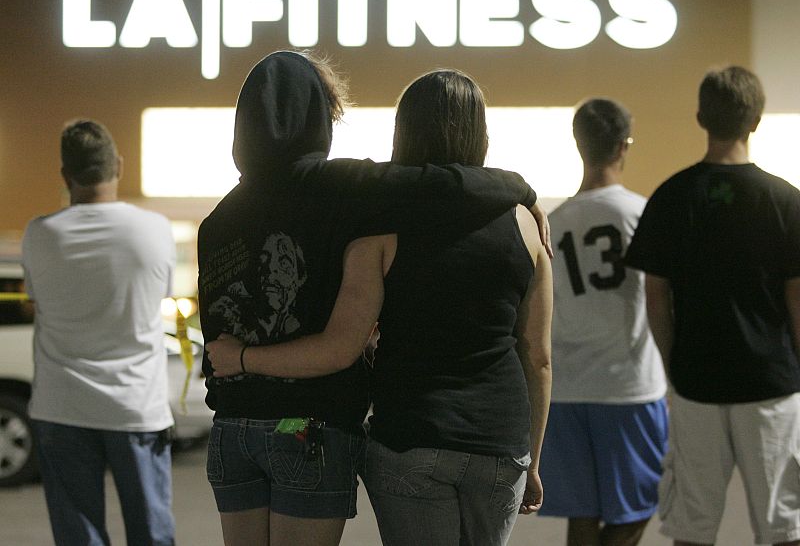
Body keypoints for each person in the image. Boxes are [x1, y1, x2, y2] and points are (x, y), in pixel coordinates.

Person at [197, 53, 550, 546]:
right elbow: (442, 179)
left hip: (233, 429)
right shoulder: (338, 186)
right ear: (319, 119)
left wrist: (240, 360)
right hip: (305, 426)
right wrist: (522, 190)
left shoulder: (217, 222)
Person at [626, 66, 800, 546]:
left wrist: (671, 362)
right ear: (757, 120)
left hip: (696, 379)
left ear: (701, 117)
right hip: (771, 383)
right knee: (782, 526)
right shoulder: (786, 201)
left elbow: (655, 294)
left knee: (693, 526)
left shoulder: (671, 196)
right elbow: (796, 298)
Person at [22, 120, 177, 546]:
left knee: (78, 535)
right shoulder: (155, 230)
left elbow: (38, 301)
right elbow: (159, 298)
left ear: (65, 175)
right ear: (119, 166)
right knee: (152, 533)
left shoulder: (40, 234)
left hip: (62, 405)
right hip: (136, 406)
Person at [537, 98, 668, 546]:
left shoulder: (552, 223)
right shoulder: (642, 214)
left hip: (568, 388)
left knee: (582, 514)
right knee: (641, 504)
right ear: (624, 146)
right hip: (627, 387)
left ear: (579, 145)